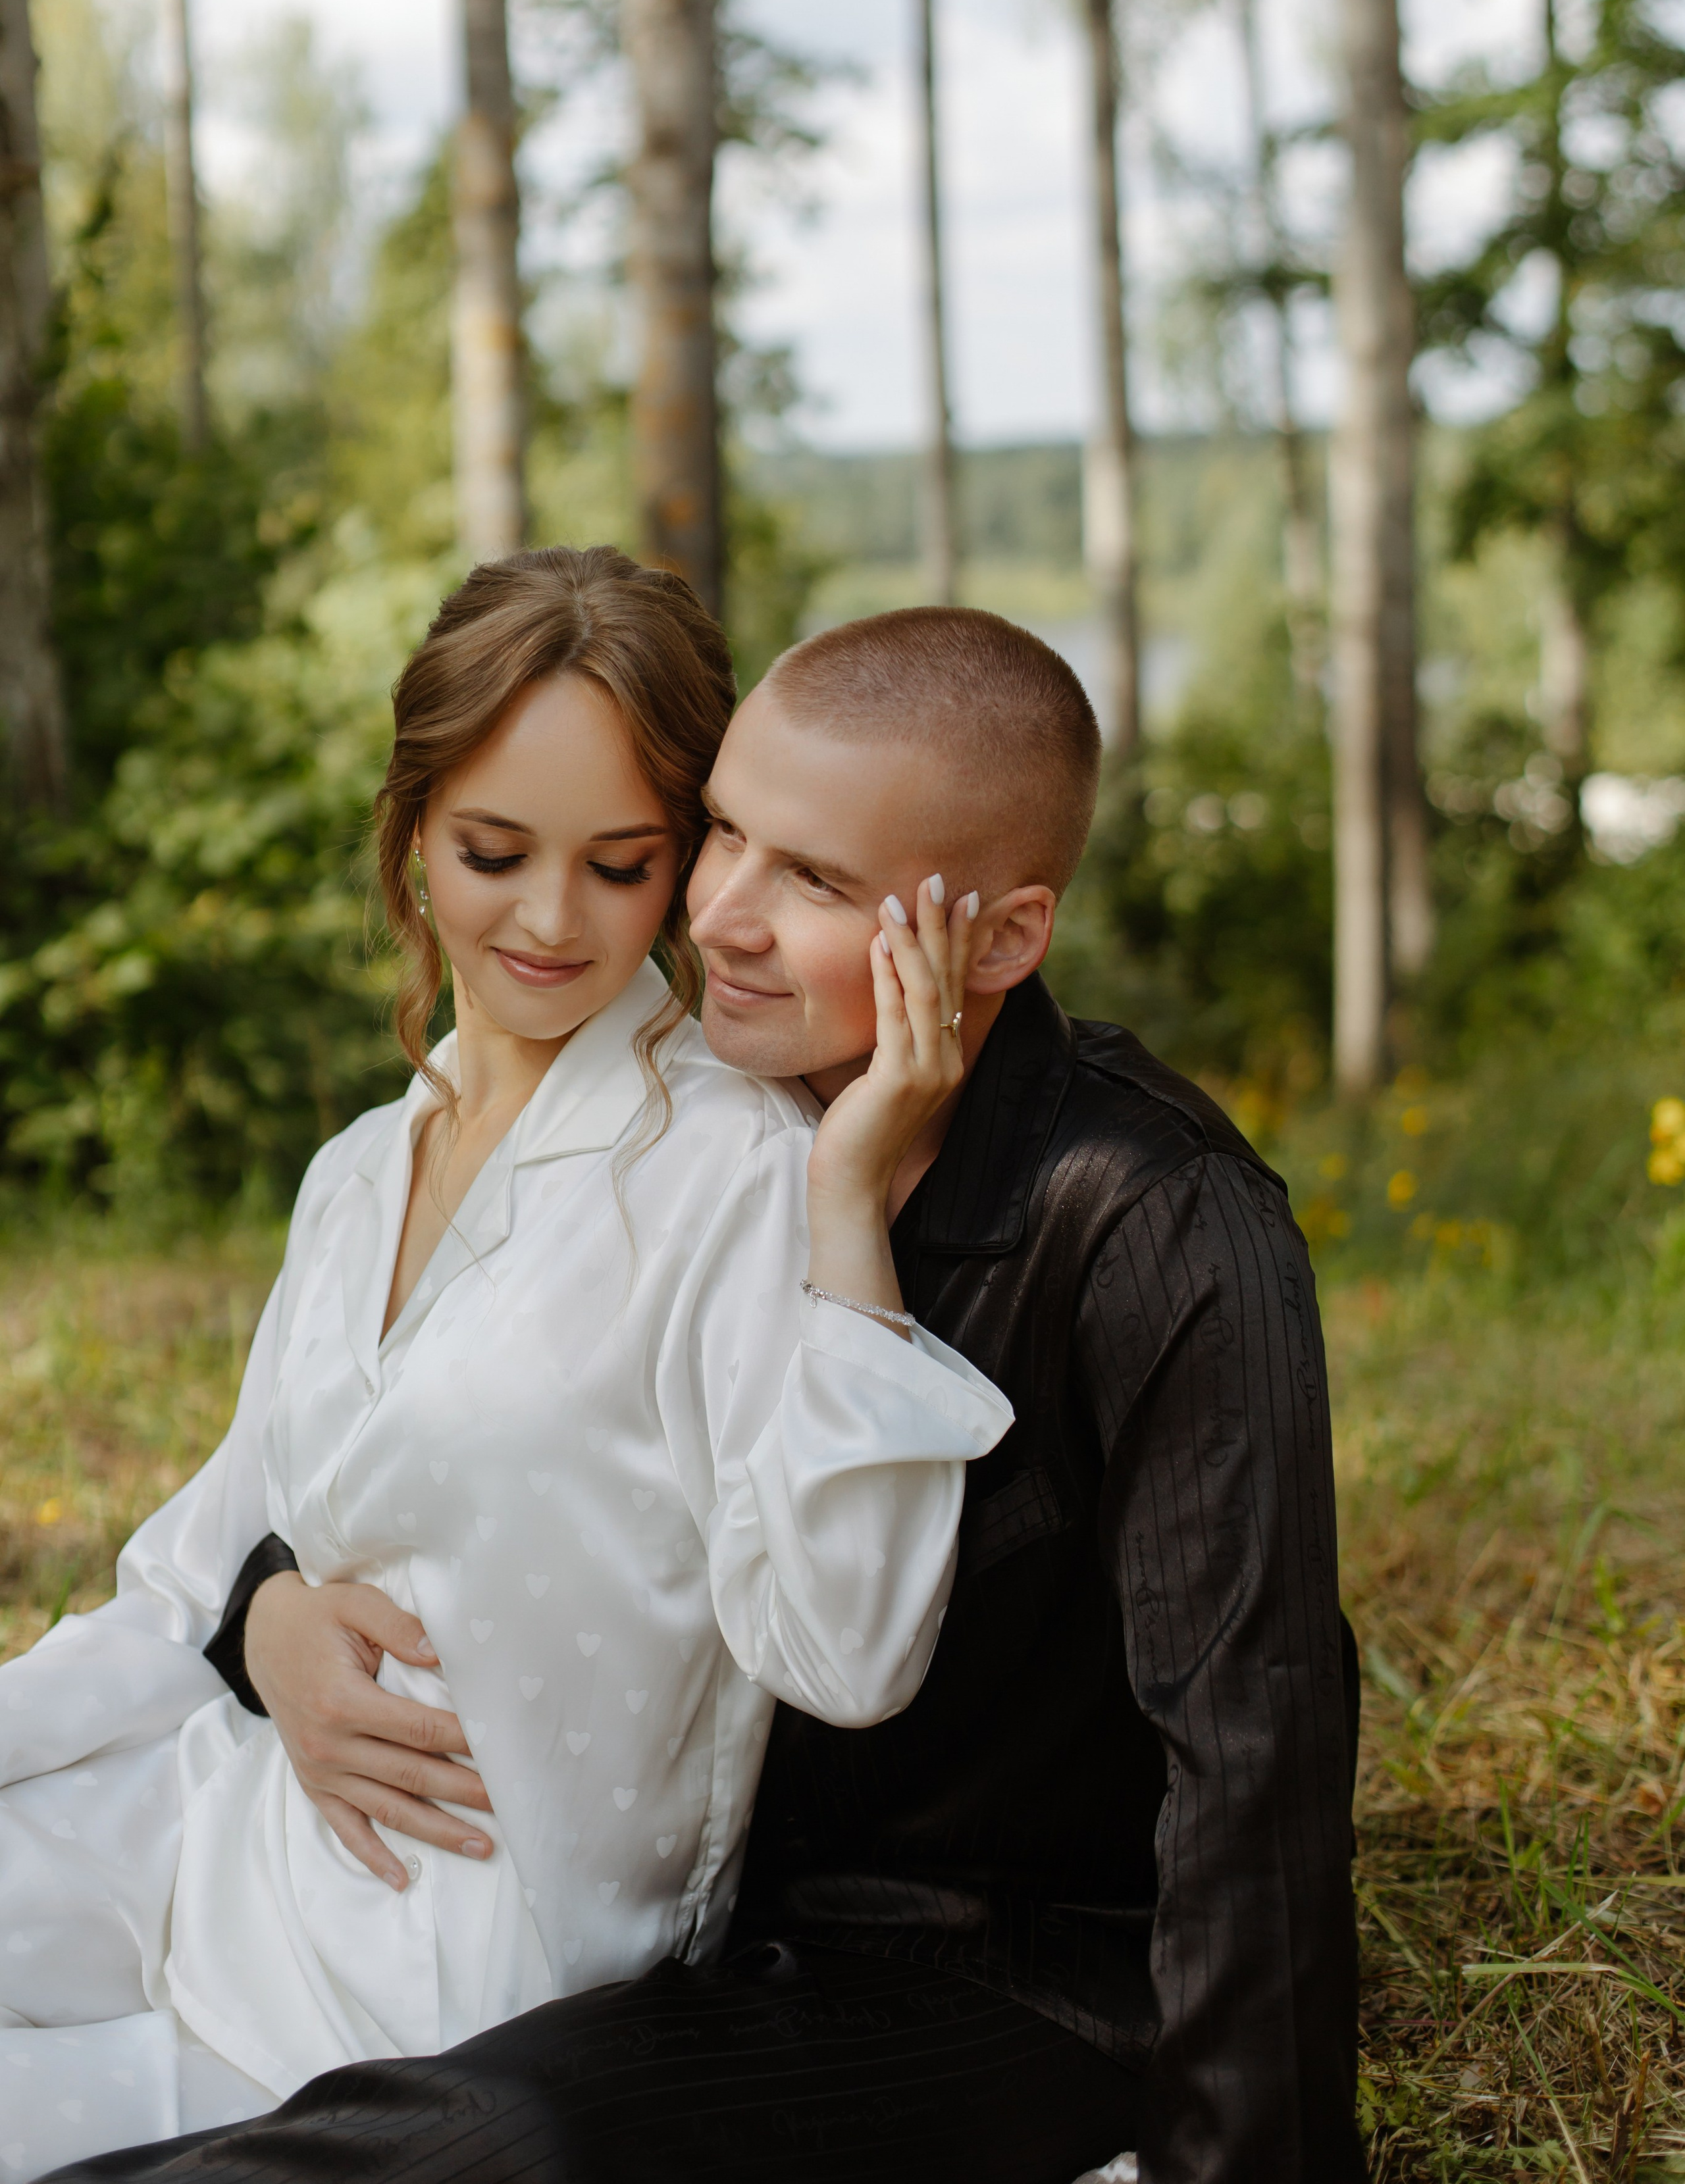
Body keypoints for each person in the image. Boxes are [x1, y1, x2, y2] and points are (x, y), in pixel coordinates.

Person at [49, 605, 1365, 2184]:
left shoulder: (1153, 1220)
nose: (717, 916)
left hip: (983, 1964)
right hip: (695, 1922)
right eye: (720, 838)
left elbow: (1255, 1734)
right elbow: (452, 1453)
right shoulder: (679, 1123)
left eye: (811, 880)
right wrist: (263, 1609)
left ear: (1002, 941)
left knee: (480, 2145)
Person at [0, 555, 1014, 2184]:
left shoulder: (735, 1175)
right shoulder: (355, 1170)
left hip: (433, 1996)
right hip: (218, 1833)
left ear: (687, 866)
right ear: (412, 838)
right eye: (493, 853)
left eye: (622, 867)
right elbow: (197, 1562)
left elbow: (843, 1648)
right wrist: (263, 1625)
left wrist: (846, 1207)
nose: (550, 923)